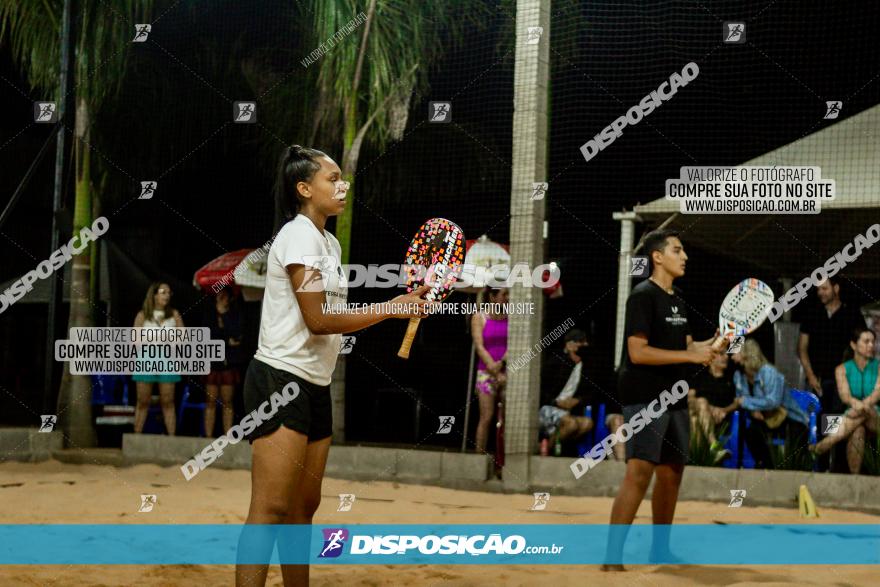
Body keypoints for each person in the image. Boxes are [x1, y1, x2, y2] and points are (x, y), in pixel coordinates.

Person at [235, 145, 433, 587]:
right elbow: (319, 319)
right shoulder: (299, 235)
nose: (342, 185)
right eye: (332, 178)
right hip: (279, 379)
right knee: (270, 509)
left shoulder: (328, 241)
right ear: (304, 189)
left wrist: (395, 307)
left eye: (342, 177)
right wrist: (391, 308)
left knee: (304, 507)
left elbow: (333, 317)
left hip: (314, 382)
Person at [603, 229, 718, 571]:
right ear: (657, 256)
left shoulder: (678, 298)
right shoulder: (642, 296)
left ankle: (660, 551)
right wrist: (690, 358)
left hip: (675, 395)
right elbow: (637, 353)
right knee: (639, 472)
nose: (685, 257)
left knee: (671, 473)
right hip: (644, 394)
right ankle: (611, 560)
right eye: (677, 250)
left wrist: (713, 344)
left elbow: (688, 348)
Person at [797, 277, 866, 471]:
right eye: (818, 289)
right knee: (819, 422)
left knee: (841, 421)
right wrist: (810, 376)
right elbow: (802, 348)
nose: (821, 293)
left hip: (844, 382)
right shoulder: (812, 313)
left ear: (836, 288)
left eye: (825, 288)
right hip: (819, 380)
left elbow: (861, 348)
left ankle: (839, 470)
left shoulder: (852, 313)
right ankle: (820, 467)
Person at [731, 339, 809, 469]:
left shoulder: (768, 372)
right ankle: (767, 467)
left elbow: (773, 401)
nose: (732, 356)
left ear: (746, 353)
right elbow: (741, 398)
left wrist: (747, 402)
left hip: (788, 417)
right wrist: (752, 410)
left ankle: (794, 471)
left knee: (797, 435)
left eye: (735, 352)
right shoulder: (739, 376)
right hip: (764, 418)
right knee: (751, 432)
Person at [811, 327, 880, 473]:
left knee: (867, 412)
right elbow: (845, 396)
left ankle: (826, 443)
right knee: (858, 431)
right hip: (852, 416)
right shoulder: (842, 369)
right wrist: (859, 406)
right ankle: (855, 481)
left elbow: (877, 393)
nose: (871, 345)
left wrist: (862, 406)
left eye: (873, 342)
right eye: (866, 341)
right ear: (854, 345)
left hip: (875, 417)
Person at [133, 282, 183, 435]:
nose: (167, 295)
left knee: (168, 401)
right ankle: (136, 436)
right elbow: (135, 340)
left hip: (167, 358)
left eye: (169, 292)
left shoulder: (174, 314)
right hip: (146, 357)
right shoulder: (143, 315)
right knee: (143, 401)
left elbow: (182, 339)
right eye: (163, 292)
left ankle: (171, 438)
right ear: (154, 295)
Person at [538, 330, 594, 450]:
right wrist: (557, 402)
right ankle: (543, 450)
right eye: (580, 343)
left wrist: (577, 401)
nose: (584, 346)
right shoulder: (556, 362)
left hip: (568, 411)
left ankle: (555, 446)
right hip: (548, 408)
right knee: (571, 424)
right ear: (570, 344)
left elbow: (591, 394)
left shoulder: (585, 367)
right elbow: (541, 390)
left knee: (587, 423)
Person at [471, 287, 508, 455]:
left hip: (508, 373)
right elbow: (479, 346)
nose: (508, 298)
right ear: (492, 297)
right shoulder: (479, 317)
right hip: (486, 373)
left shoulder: (512, 317)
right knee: (486, 417)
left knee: (507, 419)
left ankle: (504, 461)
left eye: (509, 294)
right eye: (504, 294)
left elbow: (514, 344)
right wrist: (493, 368)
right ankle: (479, 458)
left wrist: (502, 364)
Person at [203, 287, 244, 436]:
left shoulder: (234, 314)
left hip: (229, 363)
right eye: (220, 295)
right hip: (212, 363)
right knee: (210, 402)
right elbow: (206, 336)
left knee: (228, 402)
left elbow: (237, 335)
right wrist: (227, 340)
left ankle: (227, 437)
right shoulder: (208, 314)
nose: (223, 298)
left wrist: (224, 315)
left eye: (226, 295)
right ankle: (208, 438)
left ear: (231, 298)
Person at [688, 353, 736, 459]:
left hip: (721, 418)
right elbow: (690, 398)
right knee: (699, 406)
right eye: (722, 354)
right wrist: (708, 408)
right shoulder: (700, 376)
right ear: (711, 359)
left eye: (726, 354)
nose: (726, 357)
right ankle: (714, 446)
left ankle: (695, 458)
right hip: (703, 415)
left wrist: (725, 410)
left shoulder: (731, 378)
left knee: (694, 418)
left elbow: (738, 402)